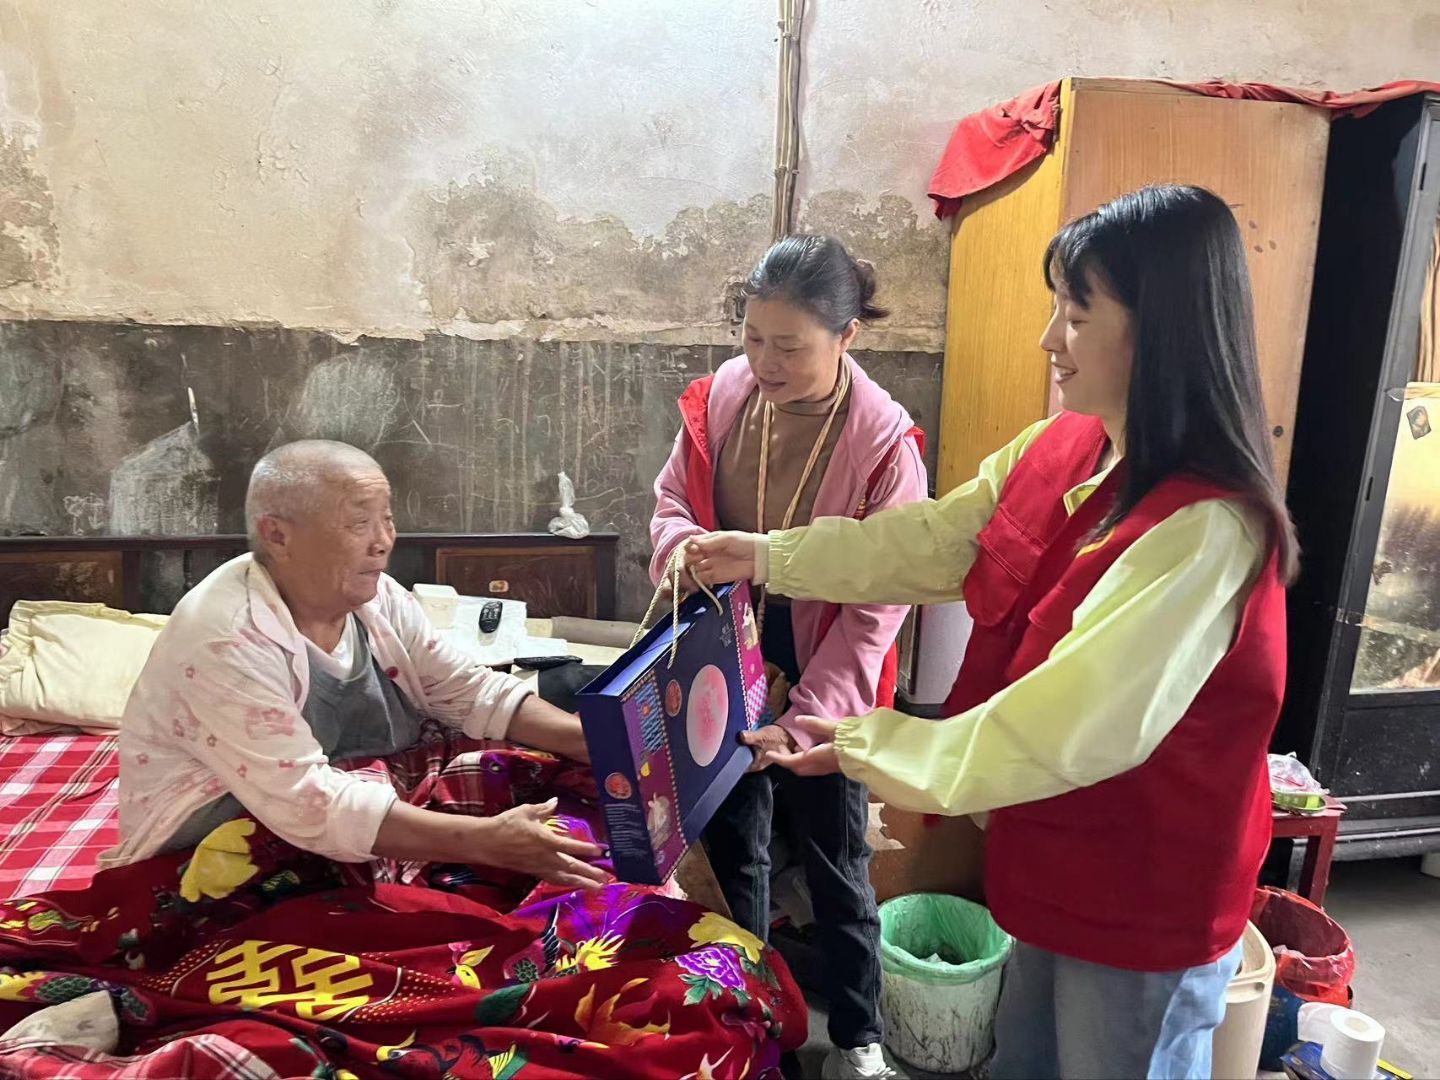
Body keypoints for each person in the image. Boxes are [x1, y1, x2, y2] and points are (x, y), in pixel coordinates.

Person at [686, 185, 1297, 1080]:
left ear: (1162, 334)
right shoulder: (1065, 446)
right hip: (1044, 862)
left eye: (1077, 316)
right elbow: (936, 540)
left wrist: (857, 743)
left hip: (1143, 899)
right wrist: (768, 555)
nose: (1050, 340)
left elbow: (1062, 727)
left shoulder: (1206, 527)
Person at [650, 234, 927, 1080]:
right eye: (752, 337)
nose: (764, 363)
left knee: (837, 858)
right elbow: (671, 500)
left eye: (790, 347)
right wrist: (682, 548)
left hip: (829, 666)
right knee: (738, 851)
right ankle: (749, 1027)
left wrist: (805, 722)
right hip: (721, 651)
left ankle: (859, 1036)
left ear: (848, 336)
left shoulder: (884, 445)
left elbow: (875, 610)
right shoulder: (726, 399)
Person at [105, 439, 607, 891]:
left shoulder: (377, 596)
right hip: (237, 842)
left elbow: (466, 689)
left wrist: (587, 740)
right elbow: (309, 802)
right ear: (277, 535)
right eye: (359, 523)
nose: (383, 540)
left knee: (567, 790)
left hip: (360, 799)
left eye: (387, 519)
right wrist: (484, 841)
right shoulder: (226, 639)